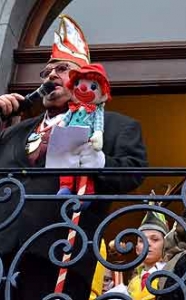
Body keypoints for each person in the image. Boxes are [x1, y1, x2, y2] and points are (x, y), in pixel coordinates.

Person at [0, 15, 147, 300]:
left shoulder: (117, 126)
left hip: (58, 254)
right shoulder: (15, 131)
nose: (51, 75)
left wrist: (98, 162)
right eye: (46, 72)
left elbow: (134, 171)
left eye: (62, 68)